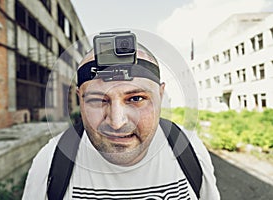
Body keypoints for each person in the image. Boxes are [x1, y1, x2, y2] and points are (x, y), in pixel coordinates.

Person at [22, 31, 220, 200]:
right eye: (98, 101)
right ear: (80, 100)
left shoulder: (189, 148)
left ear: (160, 95)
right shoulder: (51, 160)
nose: (117, 122)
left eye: (136, 99)